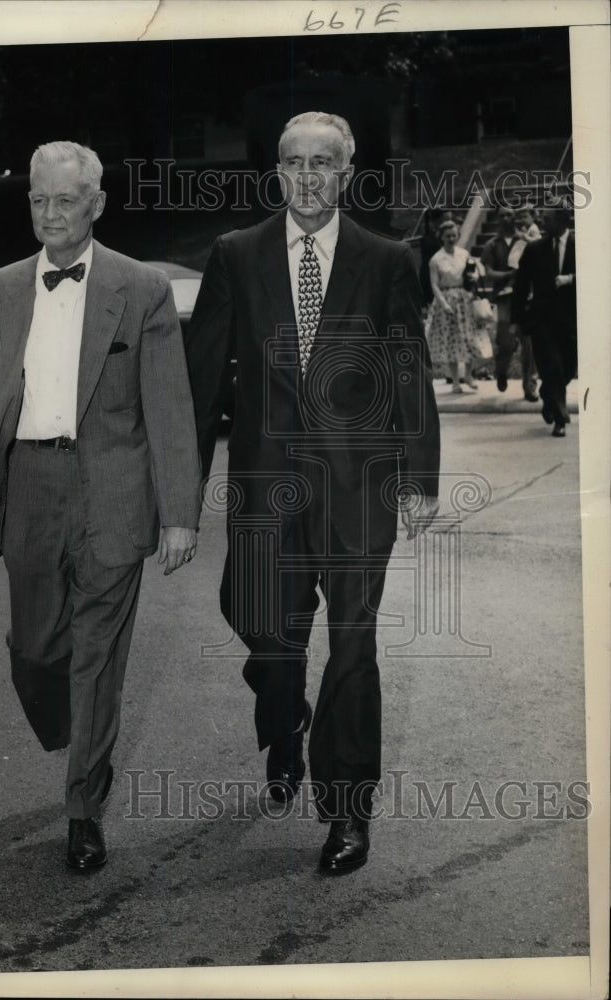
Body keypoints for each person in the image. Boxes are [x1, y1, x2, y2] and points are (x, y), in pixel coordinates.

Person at [185, 112, 440, 874]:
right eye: (291, 161)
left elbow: (407, 370)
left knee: (353, 645)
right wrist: (177, 498)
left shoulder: (387, 258)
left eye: (320, 163)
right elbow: (201, 384)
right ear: (276, 171)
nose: (305, 175)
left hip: (357, 489)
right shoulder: (236, 254)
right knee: (266, 628)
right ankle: (282, 711)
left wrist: (419, 478)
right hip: (265, 491)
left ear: (345, 172)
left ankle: (346, 812)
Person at [0, 141, 202, 870]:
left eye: (65, 201)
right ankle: (71, 727)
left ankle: (82, 809)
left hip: (113, 494)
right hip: (28, 488)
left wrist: (178, 514)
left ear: (96, 203)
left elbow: (168, 406)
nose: (49, 215)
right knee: (36, 653)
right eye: (38, 200)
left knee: (97, 659)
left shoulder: (140, 288)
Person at [510, 204, 577, 438]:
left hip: (572, 319)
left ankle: (548, 395)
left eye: (547, 218)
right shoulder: (534, 248)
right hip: (542, 319)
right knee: (553, 365)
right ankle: (560, 419)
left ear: (562, 222)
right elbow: (520, 285)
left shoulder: (581, 246)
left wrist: (571, 279)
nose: (541, 221)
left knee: (568, 367)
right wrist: (515, 319)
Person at [480, 206, 539, 400]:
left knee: (528, 340)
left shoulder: (524, 240)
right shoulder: (491, 244)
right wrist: (509, 275)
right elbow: (488, 273)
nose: (506, 218)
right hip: (504, 298)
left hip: (524, 297)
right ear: (498, 219)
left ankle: (529, 386)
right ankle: (502, 371)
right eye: (502, 215)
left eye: (509, 215)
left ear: (515, 218)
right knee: (505, 341)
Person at [425, 220, 485, 393]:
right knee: (452, 340)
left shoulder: (464, 254)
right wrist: (443, 304)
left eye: (454, 235)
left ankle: (468, 375)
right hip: (447, 300)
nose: (451, 239)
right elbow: (434, 285)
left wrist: (473, 277)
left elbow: (471, 272)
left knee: (469, 337)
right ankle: (455, 381)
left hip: (464, 298)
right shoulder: (436, 259)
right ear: (441, 238)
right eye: (447, 236)